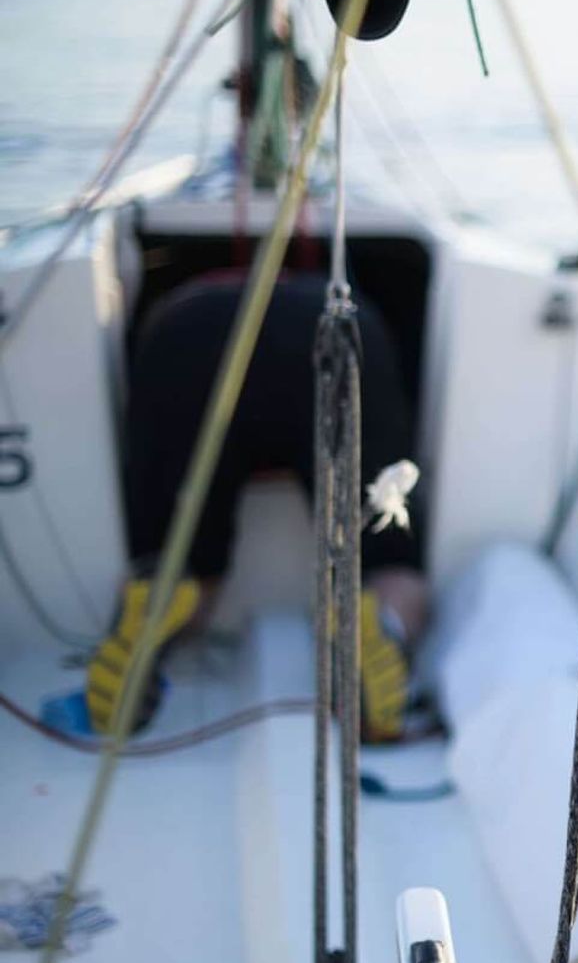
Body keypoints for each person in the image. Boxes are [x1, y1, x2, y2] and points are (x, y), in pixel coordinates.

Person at [83, 273, 428, 742]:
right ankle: (382, 623)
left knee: (181, 558)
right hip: (334, 328)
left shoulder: (187, 295)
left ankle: (160, 601)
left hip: (186, 334)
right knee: (386, 561)